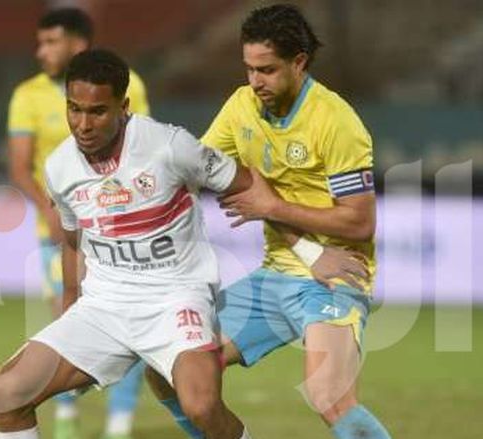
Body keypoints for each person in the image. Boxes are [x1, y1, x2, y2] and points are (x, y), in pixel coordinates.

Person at [148, 4, 392, 438]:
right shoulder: (242, 106)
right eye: (249, 69)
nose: (255, 81)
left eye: (267, 70)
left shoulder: (335, 121)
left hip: (334, 279)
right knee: (169, 367)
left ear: (299, 62)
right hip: (275, 276)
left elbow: (359, 223)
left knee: (329, 395)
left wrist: (272, 207)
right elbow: (192, 171)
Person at [0, 49, 254, 439]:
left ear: (124, 107)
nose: (83, 125)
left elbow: (245, 184)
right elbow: (73, 242)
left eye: (97, 112)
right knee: (8, 392)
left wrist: (307, 246)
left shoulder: (169, 146)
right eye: (74, 109)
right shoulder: (60, 167)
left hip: (175, 299)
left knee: (201, 407)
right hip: (104, 306)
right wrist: (70, 305)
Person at [6, 8, 149, 439]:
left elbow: (142, 151)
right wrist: (50, 211)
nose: (41, 51)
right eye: (40, 42)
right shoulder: (27, 95)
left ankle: (119, 423)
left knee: (131, 321)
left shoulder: (129, 84)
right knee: (65, 319)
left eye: (51, 42)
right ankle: (66, 418)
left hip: (117, 234)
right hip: (58, 234)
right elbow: (20, 167)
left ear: (78, 44)